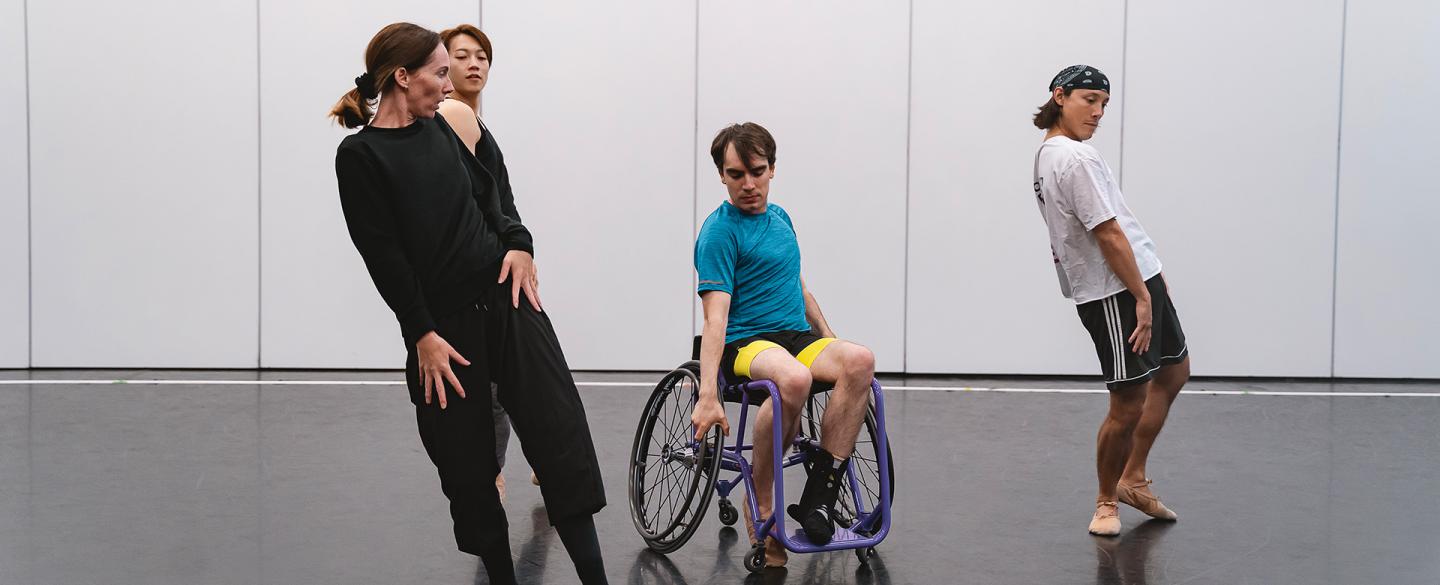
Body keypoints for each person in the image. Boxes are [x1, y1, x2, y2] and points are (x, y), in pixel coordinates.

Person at [329, 22, 607, 584]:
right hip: (443, 331)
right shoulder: (359, 156)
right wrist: (422, 335)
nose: (449, 81)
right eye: (439, 71)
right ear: (403, 78)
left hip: (508, 302)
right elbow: (383, 257)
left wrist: (521, 246)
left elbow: (495, 198)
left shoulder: (445, 125)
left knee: (560, 441)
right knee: (469, 473)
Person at [689, 122, 878, 567]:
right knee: (794, 378)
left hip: (795, 336)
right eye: (736, 175)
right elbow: (715, 318)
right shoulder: (719, 232)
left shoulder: (781, 219)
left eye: (757, 171)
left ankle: (818, 500)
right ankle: (764, 497)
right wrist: (707, 393)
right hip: (747, 342)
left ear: (773, 169)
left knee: (860, 359)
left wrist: (832, 343)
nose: (748, 184)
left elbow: (800, 289)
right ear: (722, 176)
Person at [1029, 65, 1191, 537]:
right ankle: (1106, 500)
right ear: (1059, 96)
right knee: (1128, 401)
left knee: (1174, 371)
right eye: (1089, 100)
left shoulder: (1066, 152)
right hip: (1114, 291)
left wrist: (1152, 283)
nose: (1098, 112)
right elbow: (1106, 232)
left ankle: (1133, 477)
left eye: (1104, 103)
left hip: (1139, 277)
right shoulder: (1071, 158)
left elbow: (1119, 227)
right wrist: (1141, 296)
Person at [435, 23, 542, 498]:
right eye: (462, 56)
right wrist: (515, 243)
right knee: (500, 375)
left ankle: (532, 458)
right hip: (481, 271)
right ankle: (498, 468)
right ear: (442, 65)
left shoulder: (472, 122)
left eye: (482, 56)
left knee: (514, 369)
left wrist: (519, 245)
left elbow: (498, 200)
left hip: (501, 261)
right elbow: (479, 206)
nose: (474, 64)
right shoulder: (451, 114)